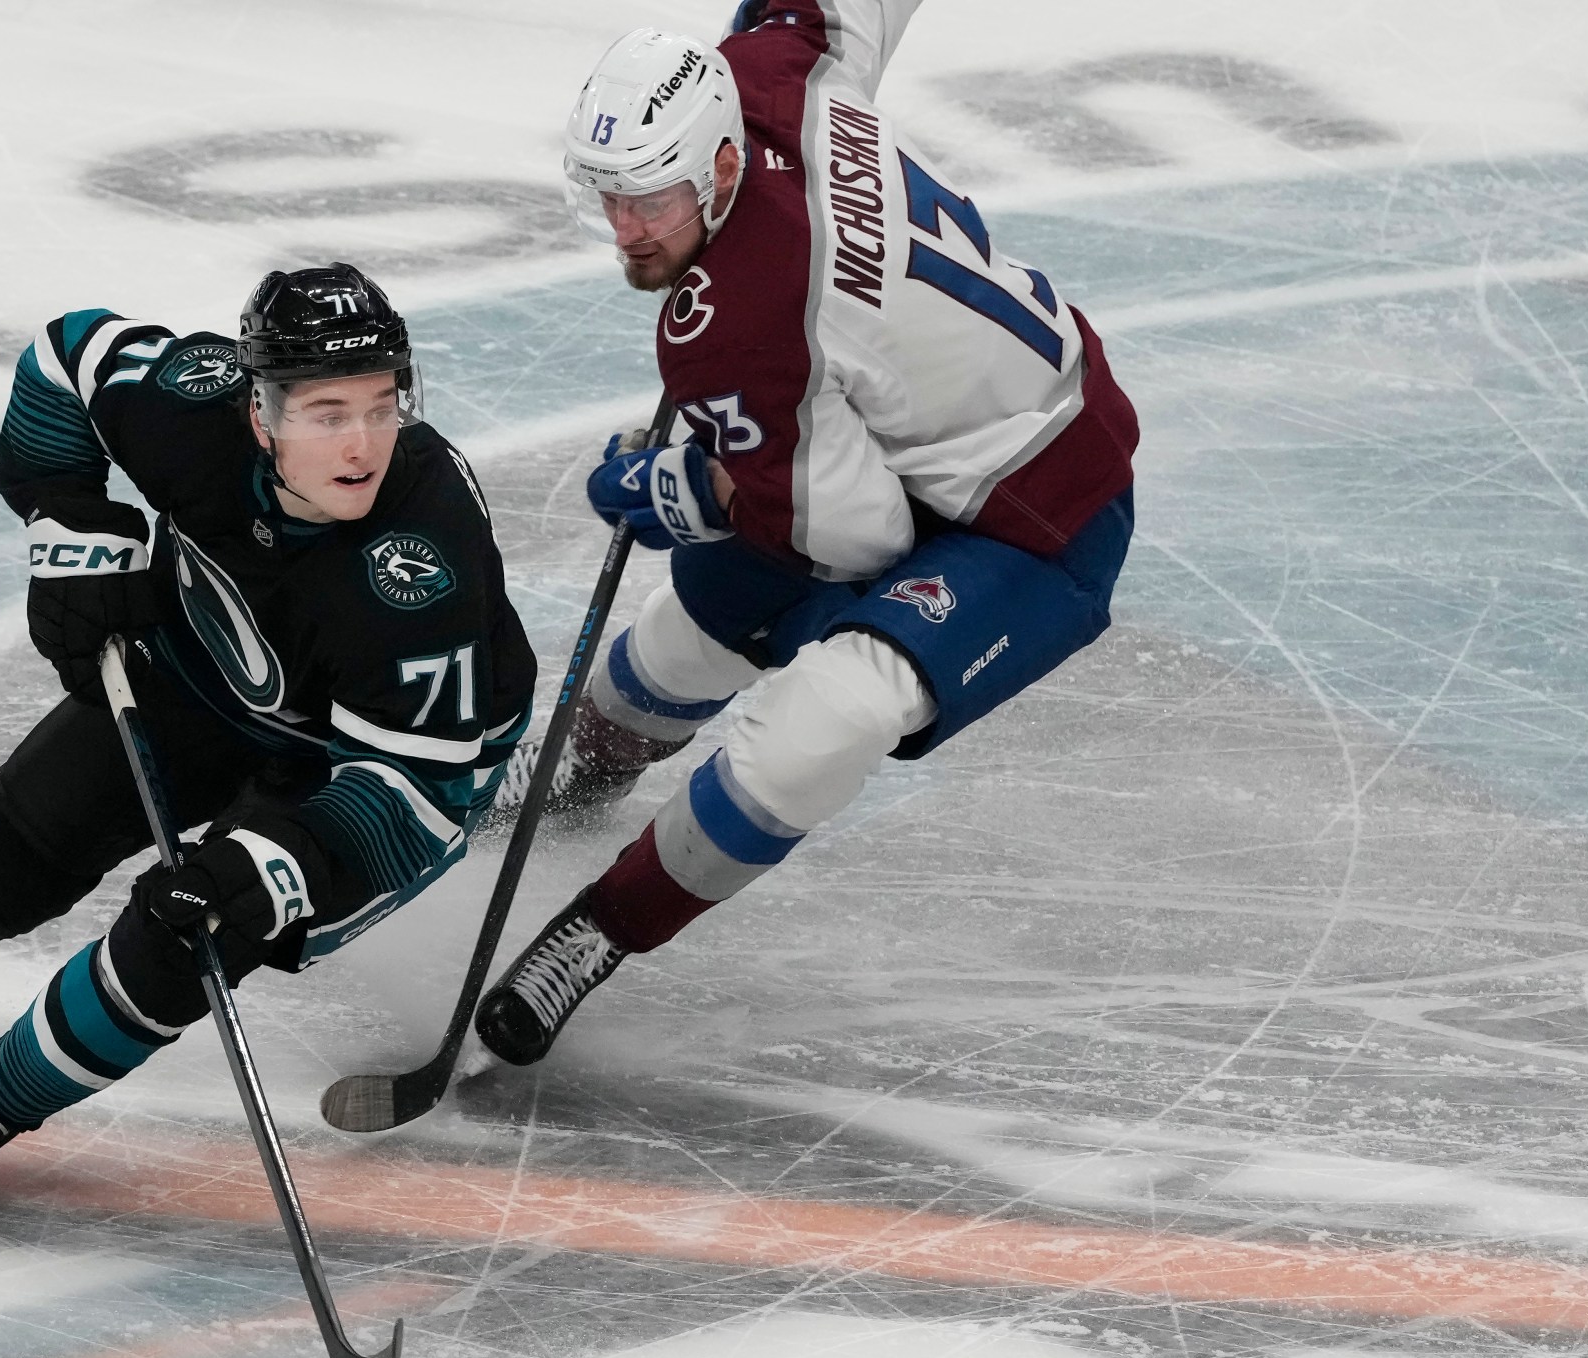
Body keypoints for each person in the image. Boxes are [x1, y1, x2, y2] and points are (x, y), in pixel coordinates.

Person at [0, 264, 535, 1218]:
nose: (364, 443)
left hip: (364, 774)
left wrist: (270, 866)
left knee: (178, 941)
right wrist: (66, 513)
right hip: (203, 675)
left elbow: (417, 793)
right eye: (328, 412)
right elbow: (66, 355)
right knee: (20, 840)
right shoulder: (192, 406)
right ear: (259, 411)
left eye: (383, 406)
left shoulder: (418, 564)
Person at [475, 1, 1139, 1065]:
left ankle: (603, 926)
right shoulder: (770, 66)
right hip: (913, 427)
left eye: (651, 198)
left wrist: (683, 487)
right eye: (611, 196)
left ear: (724, 164)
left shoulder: (739, 324)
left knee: (824, 724)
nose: (626, 229)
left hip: (1038, 516)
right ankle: (582, 768)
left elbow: (849, 538)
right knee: (695, 624)